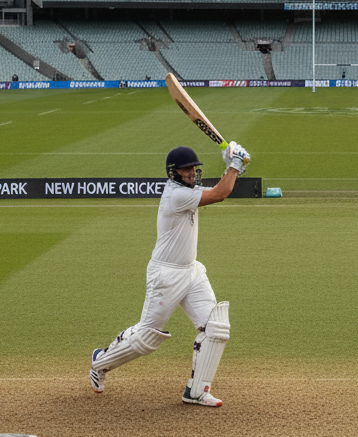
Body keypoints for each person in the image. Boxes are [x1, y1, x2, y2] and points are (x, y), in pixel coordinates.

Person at [89, 140, 250, 406]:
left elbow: (219, 189)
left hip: (192, 272)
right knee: (147, 337)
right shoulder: (176, 195)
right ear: (173, 172)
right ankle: (100, 362)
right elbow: (220, 194)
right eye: (186, 170)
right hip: (166, 275)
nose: (191, 173)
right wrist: (234, 165)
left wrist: (233, 168)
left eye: (194, 169)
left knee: (216, 328)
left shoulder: (187, 190)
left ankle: (196, 391)